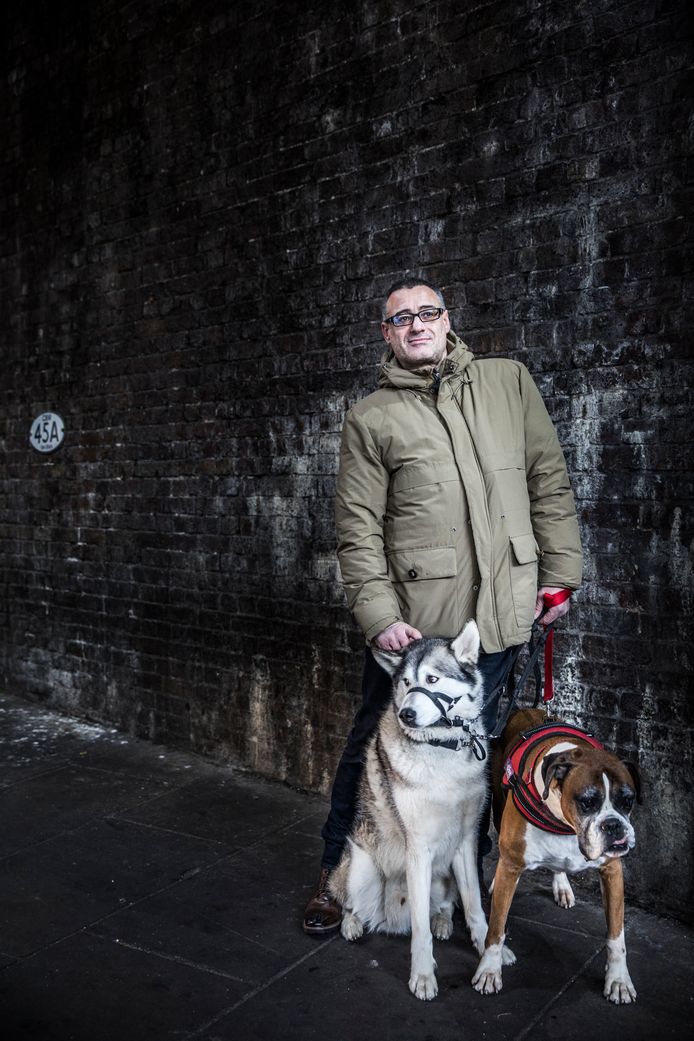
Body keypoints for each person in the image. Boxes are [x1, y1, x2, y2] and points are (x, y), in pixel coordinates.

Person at [303, 277, 583, 934]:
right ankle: (335, 875)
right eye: (402, 318)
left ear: (447, 319)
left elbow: (548, 477)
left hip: (499, 611)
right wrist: (379, 616)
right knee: (371, 741)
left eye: (427, 312)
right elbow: (358, 528)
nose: (417, 324)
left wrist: (559, 571)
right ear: (388, 335)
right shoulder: (371, 417)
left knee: (476, 750)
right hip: (416, 630)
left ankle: (465, 885)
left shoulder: (507, 383)